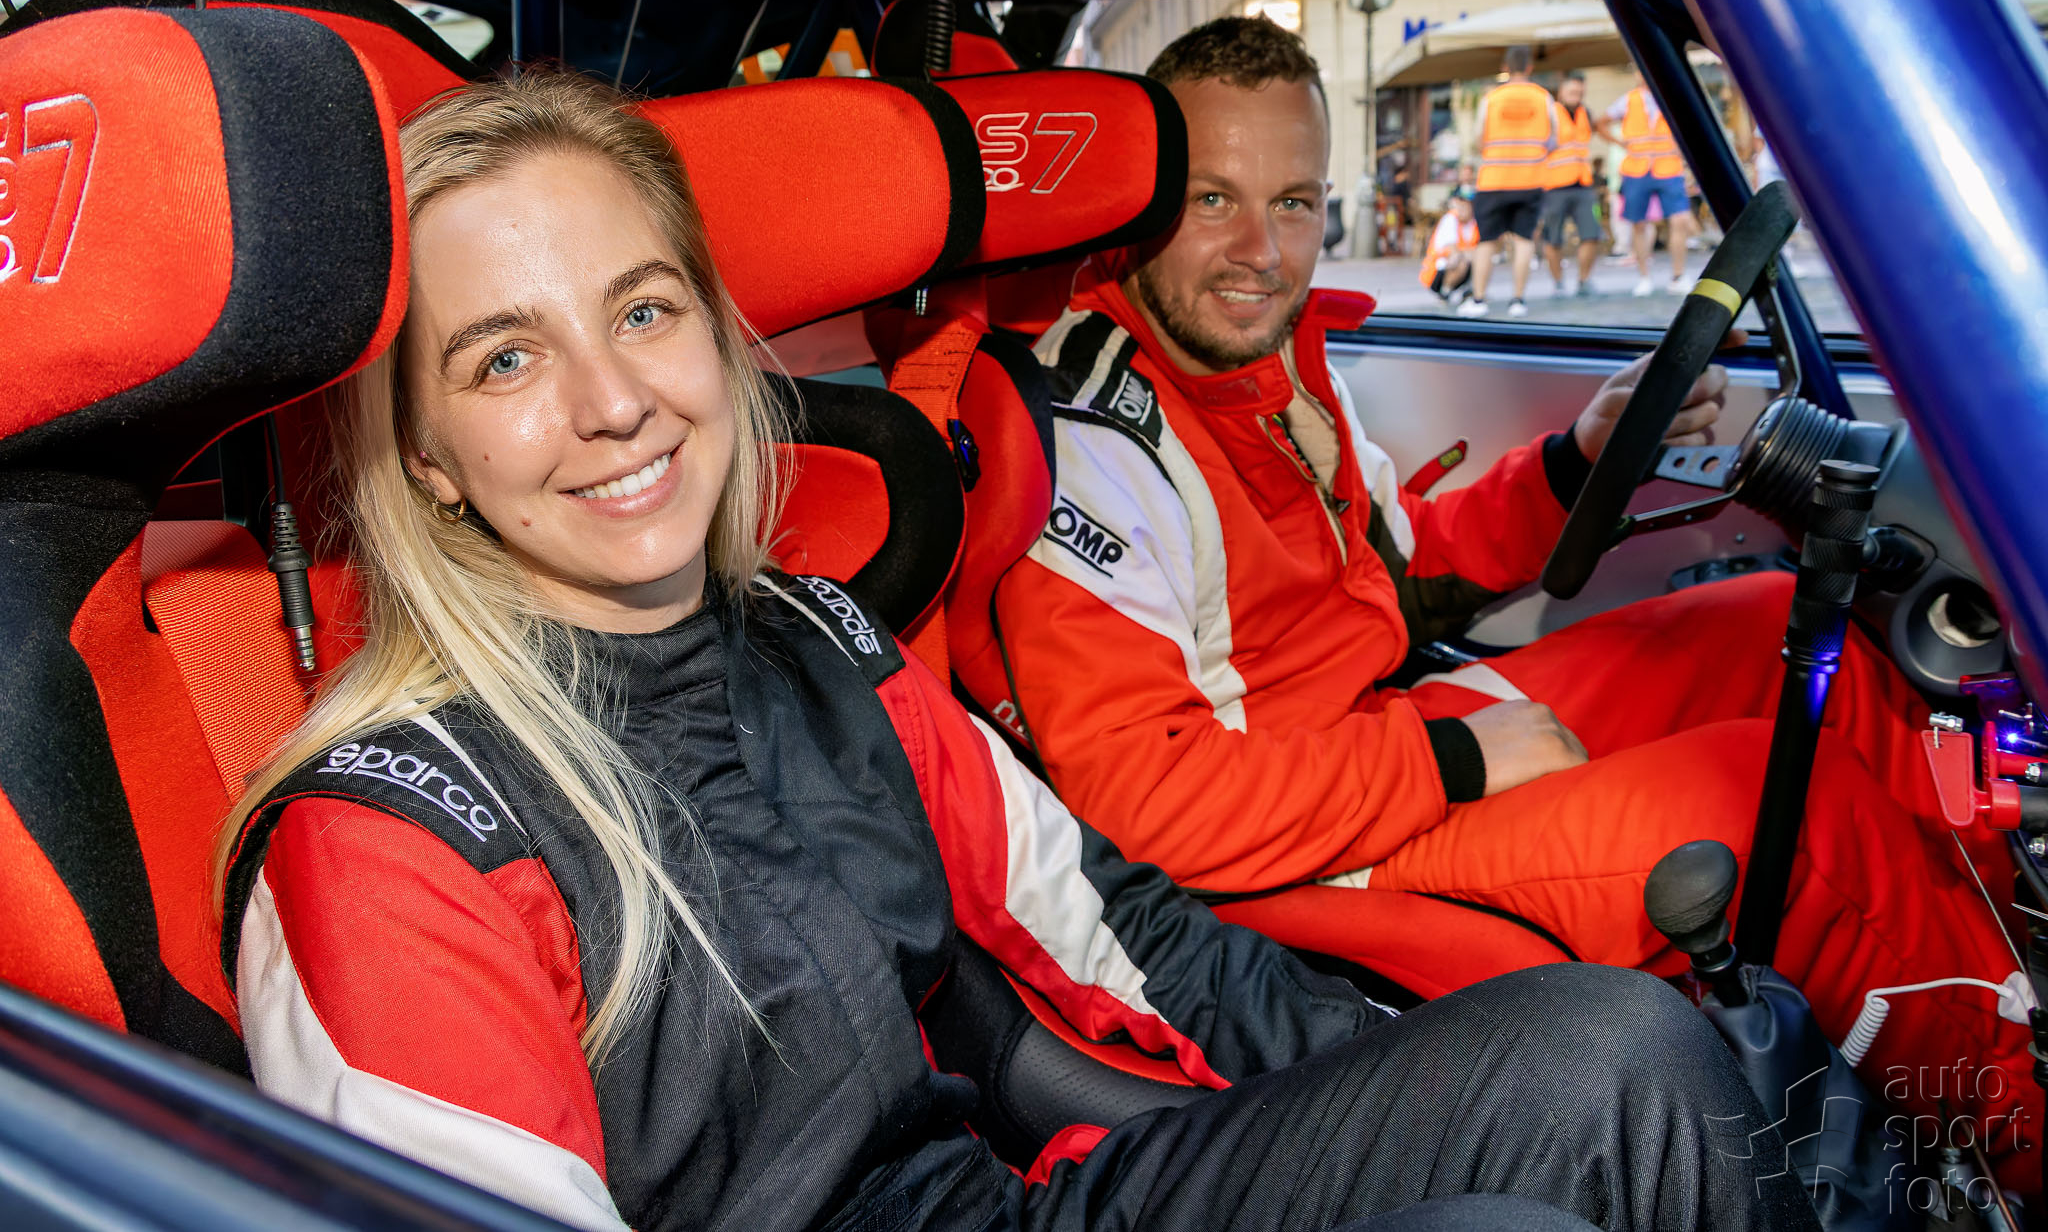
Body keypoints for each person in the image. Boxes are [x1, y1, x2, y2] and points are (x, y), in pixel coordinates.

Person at [210, 69, 1816, 1232]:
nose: (615, 401)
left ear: (715, 330)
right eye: (504, 360)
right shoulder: (387, 845)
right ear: (424, 456)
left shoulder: (820, 639)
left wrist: (1404, 1080)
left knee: (1615, 1053)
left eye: (643, 312)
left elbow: (1125, 933)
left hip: (1018, 1201)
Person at [987, 16, 2036, 1187]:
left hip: (1370, 732)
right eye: (1212, 201)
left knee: (1782, 630)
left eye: (1292, 202)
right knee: (1778, 817)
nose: (1261, 252)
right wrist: (1457, 759)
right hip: (1288, 846)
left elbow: (1398, 572)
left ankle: (1983, 958)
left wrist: (1571, 466)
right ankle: (2018, 1123)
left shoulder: (1268, 365)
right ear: (1138, 206)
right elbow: (1148, 805)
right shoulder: (1090, 441)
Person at [1457, 45, 1556, 320]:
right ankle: (1518, 301)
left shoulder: (1492, 98)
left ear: (1505, 67)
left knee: (1487, 242)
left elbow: (1478, 138)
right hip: (1531, 179)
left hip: (1494, 180)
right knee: (1524, 240)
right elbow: (1554, 139)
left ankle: (1479, 300)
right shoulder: (1543, 97)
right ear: (1530, 67)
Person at [1599, 81, 1699, 297]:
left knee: (1680, 220)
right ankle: (1644, 277)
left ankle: (1678, 276)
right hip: (1637, 169)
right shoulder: (1629, 100)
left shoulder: (1672, 95)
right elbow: (1601, 123)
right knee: (1638, 224)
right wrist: (1620, 143)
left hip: (1669, 168)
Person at [1535, 71, 1602, 297]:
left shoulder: (1585, 113)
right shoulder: (1550, 114)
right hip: (1554, 186)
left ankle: (1584, 280)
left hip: (1583, 184)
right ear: (1561, 92)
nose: (1577, 96)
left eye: (1580, 92)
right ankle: (1558, 283)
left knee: (1592, 234)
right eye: (1572, 91)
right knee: (1553, 237)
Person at [1419, 188, 1478, 306]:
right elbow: (1453, 251)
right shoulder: (1450, 219)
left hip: (1463, 263)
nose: (1464, 207)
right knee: (1461, 260)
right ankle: (1445, 292)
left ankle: (1471, 292)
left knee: (1481, 259)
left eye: (1468, 204)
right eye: (1461, 203)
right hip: (1436, 272)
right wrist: (1472, 253)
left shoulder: (1474, 222)